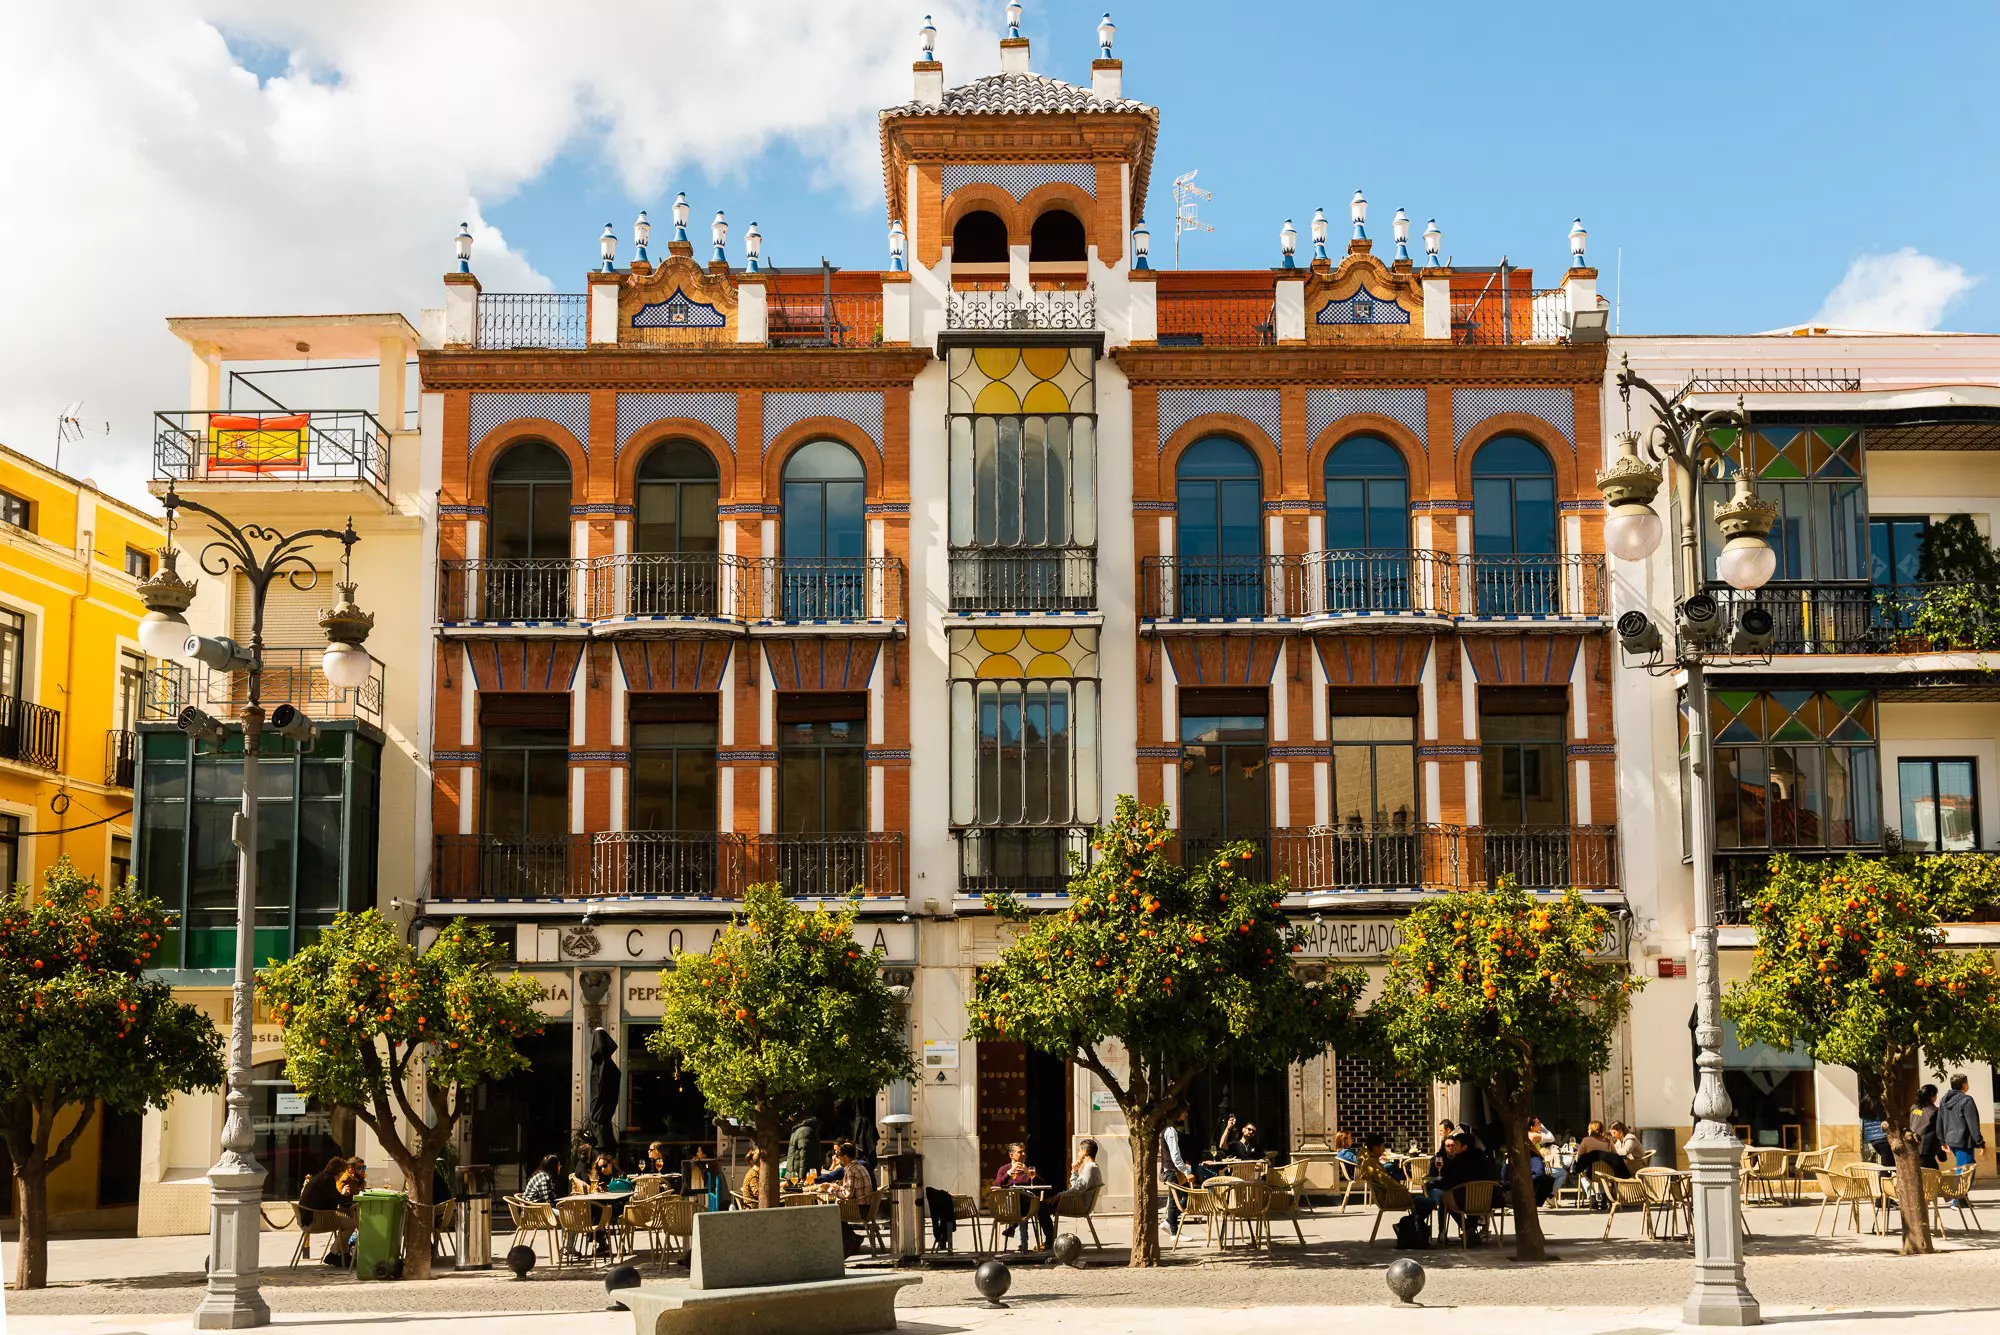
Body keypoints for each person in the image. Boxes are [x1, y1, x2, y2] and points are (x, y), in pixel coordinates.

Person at [1940, 1073, 1985, 1204]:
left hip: (1951, 1140)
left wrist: (1942, 1140)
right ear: (1964, 1085)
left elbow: (1940, 1121)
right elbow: (1973, 1124)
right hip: (1963, 1141)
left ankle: (1961, 1198)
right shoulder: (1966, 1100)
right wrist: (1980, 1142)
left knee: (1962, 1168)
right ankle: (1957, 1200)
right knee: (1966, 1170)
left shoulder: (1944, 1100)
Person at [992, 1142, 1049, 1246]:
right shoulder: (1004, 1169)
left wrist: (1028, 1172)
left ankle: (1050, 1240)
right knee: (1018, 1196)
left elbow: (1043, 1184)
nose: (1023, 1154)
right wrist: (1009, 1172)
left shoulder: (1028, 1169)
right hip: (1010, 1206)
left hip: (1028, 1204)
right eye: (1020, 1152)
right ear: (1011, 1155)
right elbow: (997, 1185)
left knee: (1042, 1206)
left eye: (1024, 1151)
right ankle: (1021, 1239)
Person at [1911, 1085, 1947, 1168]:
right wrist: (1942, 1152)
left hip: (1913, 1146)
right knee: (1931, 1174)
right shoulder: (1934, 1111)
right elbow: (1939, 1131)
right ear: (1932, 1096)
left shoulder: (1914, 1108)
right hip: (1926, 1149)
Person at [1859, 1095, 1894, 1168]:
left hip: (1873, 1139)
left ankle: (1885, 1178)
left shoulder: (1865, 1103)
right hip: (1883, 1138)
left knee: (1888, 1164)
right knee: (1887, 1166)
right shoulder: (1879, 1104)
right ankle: (1882, 1179)